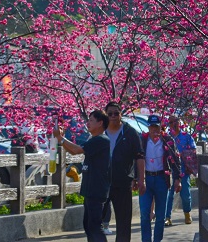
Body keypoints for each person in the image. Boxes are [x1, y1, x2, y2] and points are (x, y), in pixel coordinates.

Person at [54, 110, 111, 242]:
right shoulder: (94, 139)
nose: (87, 123)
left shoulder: (101, 140)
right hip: (90, 189)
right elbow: (74, 151)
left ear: (100, 123)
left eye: (91, 120)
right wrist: (61, 139)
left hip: (97, 190)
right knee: (89, 226)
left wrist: (60, 138)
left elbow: (76, 150)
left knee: (95, 226)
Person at [103, 101, 146, 242]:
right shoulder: (100, 131)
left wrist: (141, 179)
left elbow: (139, 156)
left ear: (121, 114)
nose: (113, 116)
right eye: (110, 114)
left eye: (116, 113)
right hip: (103, 182)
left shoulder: (129, 132)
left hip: (123, 181)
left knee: (123, 221)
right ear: (106, 115)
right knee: (96, 220)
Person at [140, 114, 181, 242]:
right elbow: (135, 160)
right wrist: (137, 179)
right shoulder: (143, 140)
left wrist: (177, 179)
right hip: (147, 178)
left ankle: (157, 239)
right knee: (145, 213)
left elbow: (175, 159)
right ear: (148, 127)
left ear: (161, 127)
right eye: (152, 127)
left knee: (161, 215)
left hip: (162, 179)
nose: (154, 130)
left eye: (156, 127)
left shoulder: (167, 140)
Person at [165, 115, 196, 226]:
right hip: (170, 168)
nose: (173, 124)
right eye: (171, 122)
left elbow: (193, 150)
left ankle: (187, 213)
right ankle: (167, 216)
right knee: (169, 194)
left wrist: (184, 156)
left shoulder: (186, 136)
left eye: (175, 121)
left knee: (185, 193)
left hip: (183, 168)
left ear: (179, 122)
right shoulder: (167, 137)